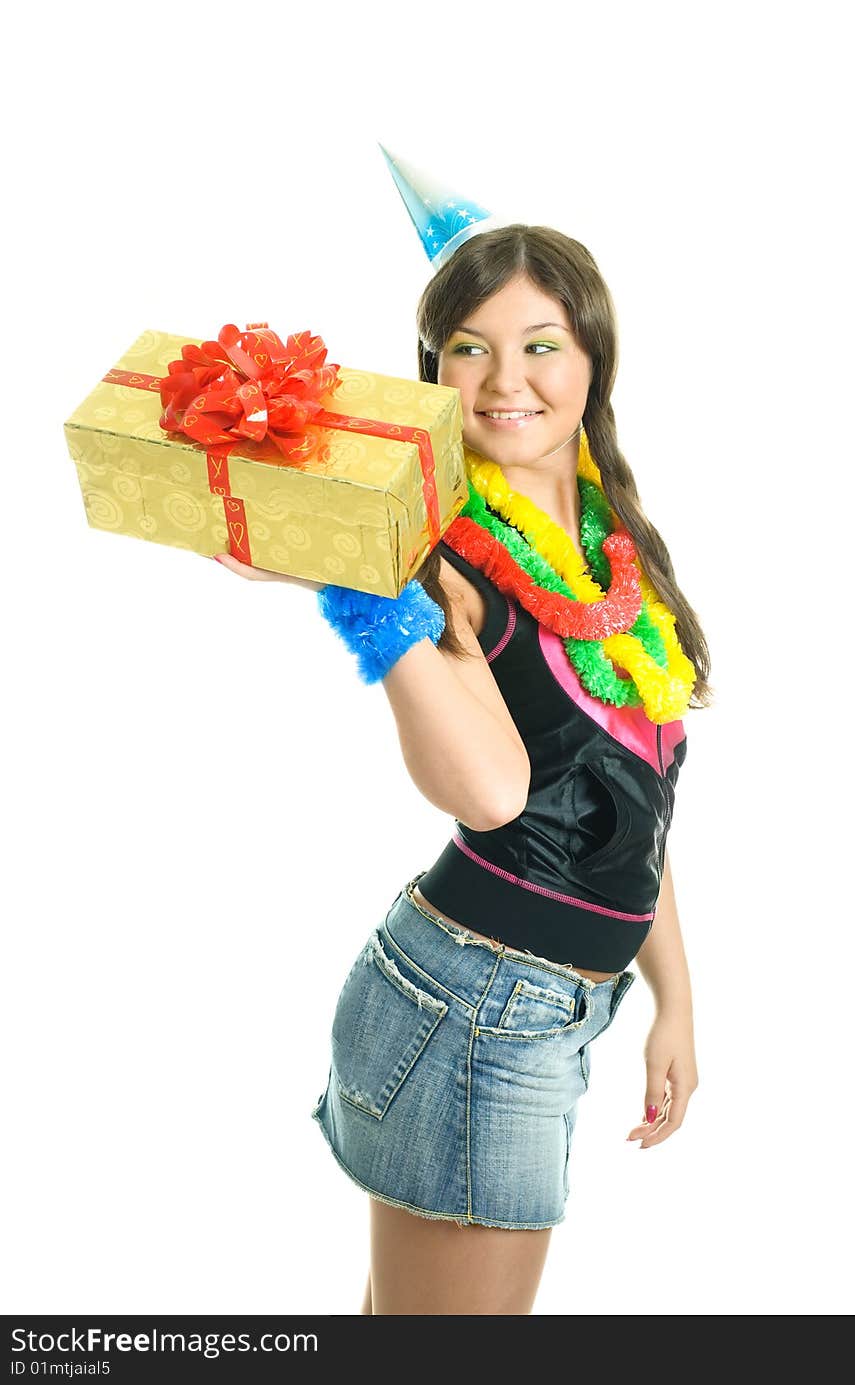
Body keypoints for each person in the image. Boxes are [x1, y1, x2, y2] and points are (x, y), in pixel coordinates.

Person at [213, 212, 711, 1314]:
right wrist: (371, 594)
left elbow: (635, 798)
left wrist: (671, 995)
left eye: (540, 343)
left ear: (592, 361)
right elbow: (489, 793)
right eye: (468, 346)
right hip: (476, 1003)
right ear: (432, 368)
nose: (502, 378)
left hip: (545, 1003)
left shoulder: (610, 543)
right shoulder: (438, 563)